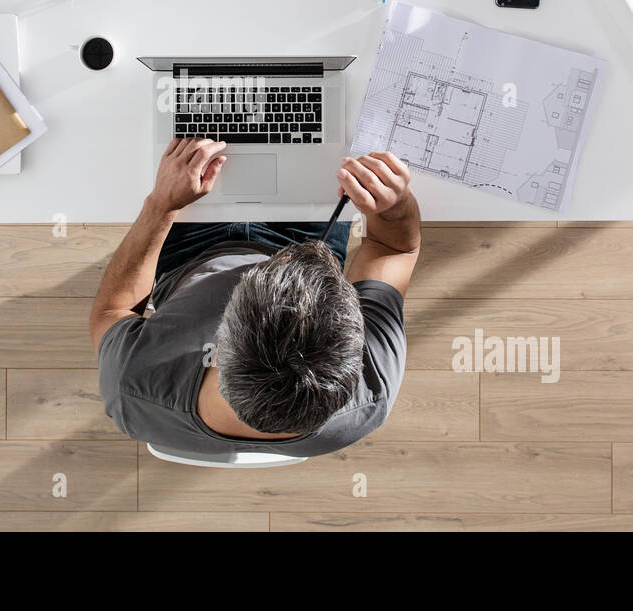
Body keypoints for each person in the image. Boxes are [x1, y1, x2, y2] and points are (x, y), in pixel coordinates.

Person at [90, 137, 419, 457]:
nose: (283, 261)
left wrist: (161, 205)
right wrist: (393, 206)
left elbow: (114, 310)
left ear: (215, 350)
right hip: (308, 238)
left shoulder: (132, 387)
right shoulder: (370, 387)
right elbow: (392, 249)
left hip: (188, 257)